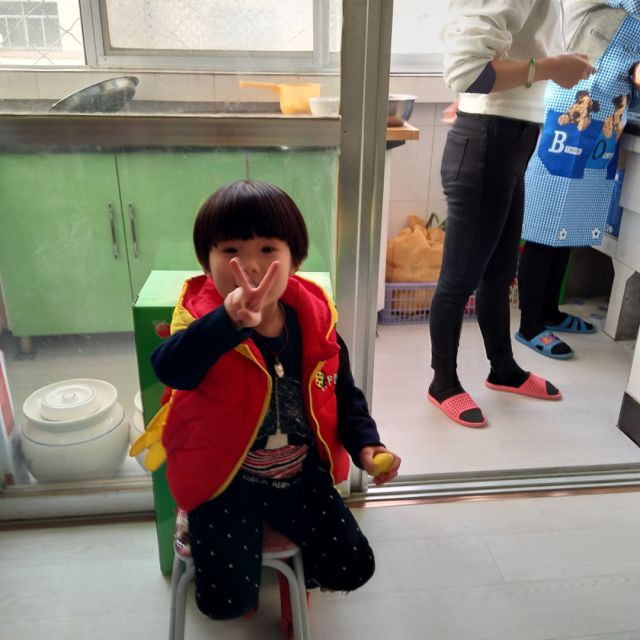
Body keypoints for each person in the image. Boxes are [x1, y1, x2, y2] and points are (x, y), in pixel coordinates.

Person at [135, 179, 400, 621]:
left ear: (295, 260)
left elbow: (343, 394)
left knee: (354, 566)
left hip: (298, 476)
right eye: (231, 251)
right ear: (206, 263)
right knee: (225, 605)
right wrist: (227, 322)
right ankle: (216, 541)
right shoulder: (202, 322)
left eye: (267, 249)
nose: (251, 266)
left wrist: (368, 446)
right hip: (223, 483)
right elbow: (171, 369)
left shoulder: (316, 325)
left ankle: (297, 576)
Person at [428, 0, 596, 428]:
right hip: (487, 142)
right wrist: (551, 68)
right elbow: (467, 72)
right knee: (459, 280)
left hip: (509, 141)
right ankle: (442, 383)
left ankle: (502, 368)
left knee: (500, 273)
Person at [517, 0, 640, 359]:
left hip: (609, 111)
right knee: (545, 221)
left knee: (568, 223)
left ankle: (550, 312)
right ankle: (530, 325)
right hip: (574, 102)